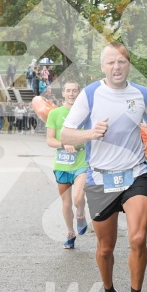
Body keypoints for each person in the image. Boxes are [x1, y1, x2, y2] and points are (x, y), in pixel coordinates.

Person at [61, 42, 147, 292]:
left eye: (121, 62)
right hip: (100, 178)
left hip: (136, 174)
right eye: (110, 63)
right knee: (106, 248)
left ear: (129, 64)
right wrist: (90, 133)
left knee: (138, 237)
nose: (116, 67)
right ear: (102, 67)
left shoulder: (141, 94)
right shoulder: (91, 94)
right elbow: (67, 132)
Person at [46, 81, 88, 249]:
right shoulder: (55, 114)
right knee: (66, 203)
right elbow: (50, 140)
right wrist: (64, 144)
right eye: (68, 91)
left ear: (79, 93)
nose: (71, 94)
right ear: (63, 93)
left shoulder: (86, 113)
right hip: (62, 164)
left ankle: (81, 213)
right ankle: (70, 233)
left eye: (75, 91)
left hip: (81, 161)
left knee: (78, 197)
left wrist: (78, 141)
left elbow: (90, 134)